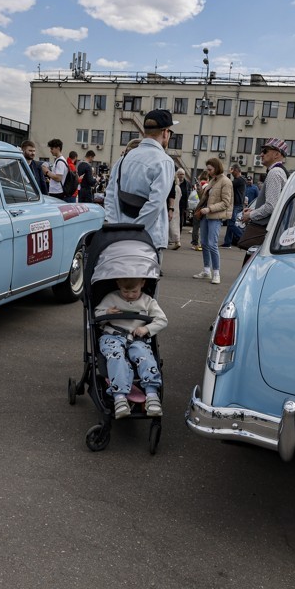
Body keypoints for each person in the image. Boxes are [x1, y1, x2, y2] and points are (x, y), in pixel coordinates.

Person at [102, 110, 177, 253]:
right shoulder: (164, 161)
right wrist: (135, 230)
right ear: (165, 132)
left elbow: (110, 194)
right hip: (148, 236)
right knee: (146, 274)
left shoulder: (125, 158)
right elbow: (156, 203)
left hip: (120, 234)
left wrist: (117, 225)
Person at [95, 276, 167, 418]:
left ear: (142, 283)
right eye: (125, 292)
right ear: (118, 284)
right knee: (116, 355)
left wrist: (146, 329)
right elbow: (96, 315)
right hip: (112, 336)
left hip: (136, 337)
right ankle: (120, 397)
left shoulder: (147, 301)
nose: (129, 295)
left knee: (145, 354)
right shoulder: (111, 298)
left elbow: (162, 320)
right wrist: (106, 313)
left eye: (134, 292)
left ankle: (152, 393)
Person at [239, 138, 290, 249]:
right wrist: (254, 210)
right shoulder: (279, 171)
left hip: (266, 230)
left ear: (276, 154)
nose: (261, 154)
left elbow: (271, 207)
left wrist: (250, 215)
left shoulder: (275, 173)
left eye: (265, 151)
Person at [192, 157, 234, 285]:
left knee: (212, 244)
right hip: (206, 215)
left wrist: (209, 209)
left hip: (214, 216)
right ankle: (206, 271)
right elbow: (206, 198)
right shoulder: (213, 181)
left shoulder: (225, 182)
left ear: (216, 168)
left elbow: (226, 203)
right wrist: (200, 190)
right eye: (207, 169)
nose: (208, 171)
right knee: (204, 243)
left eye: (210, 169)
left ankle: (216, 273)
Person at [221, 164, 246, 248]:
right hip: (234, 204)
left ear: (236, 170)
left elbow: (229, 184)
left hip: (237, 205)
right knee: (229, 224)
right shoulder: (237, 179)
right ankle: (227, 243)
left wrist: (228, 174)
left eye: (232, 170)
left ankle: (244, 238)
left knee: (231, 224)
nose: (232, 172)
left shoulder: (240, 180)